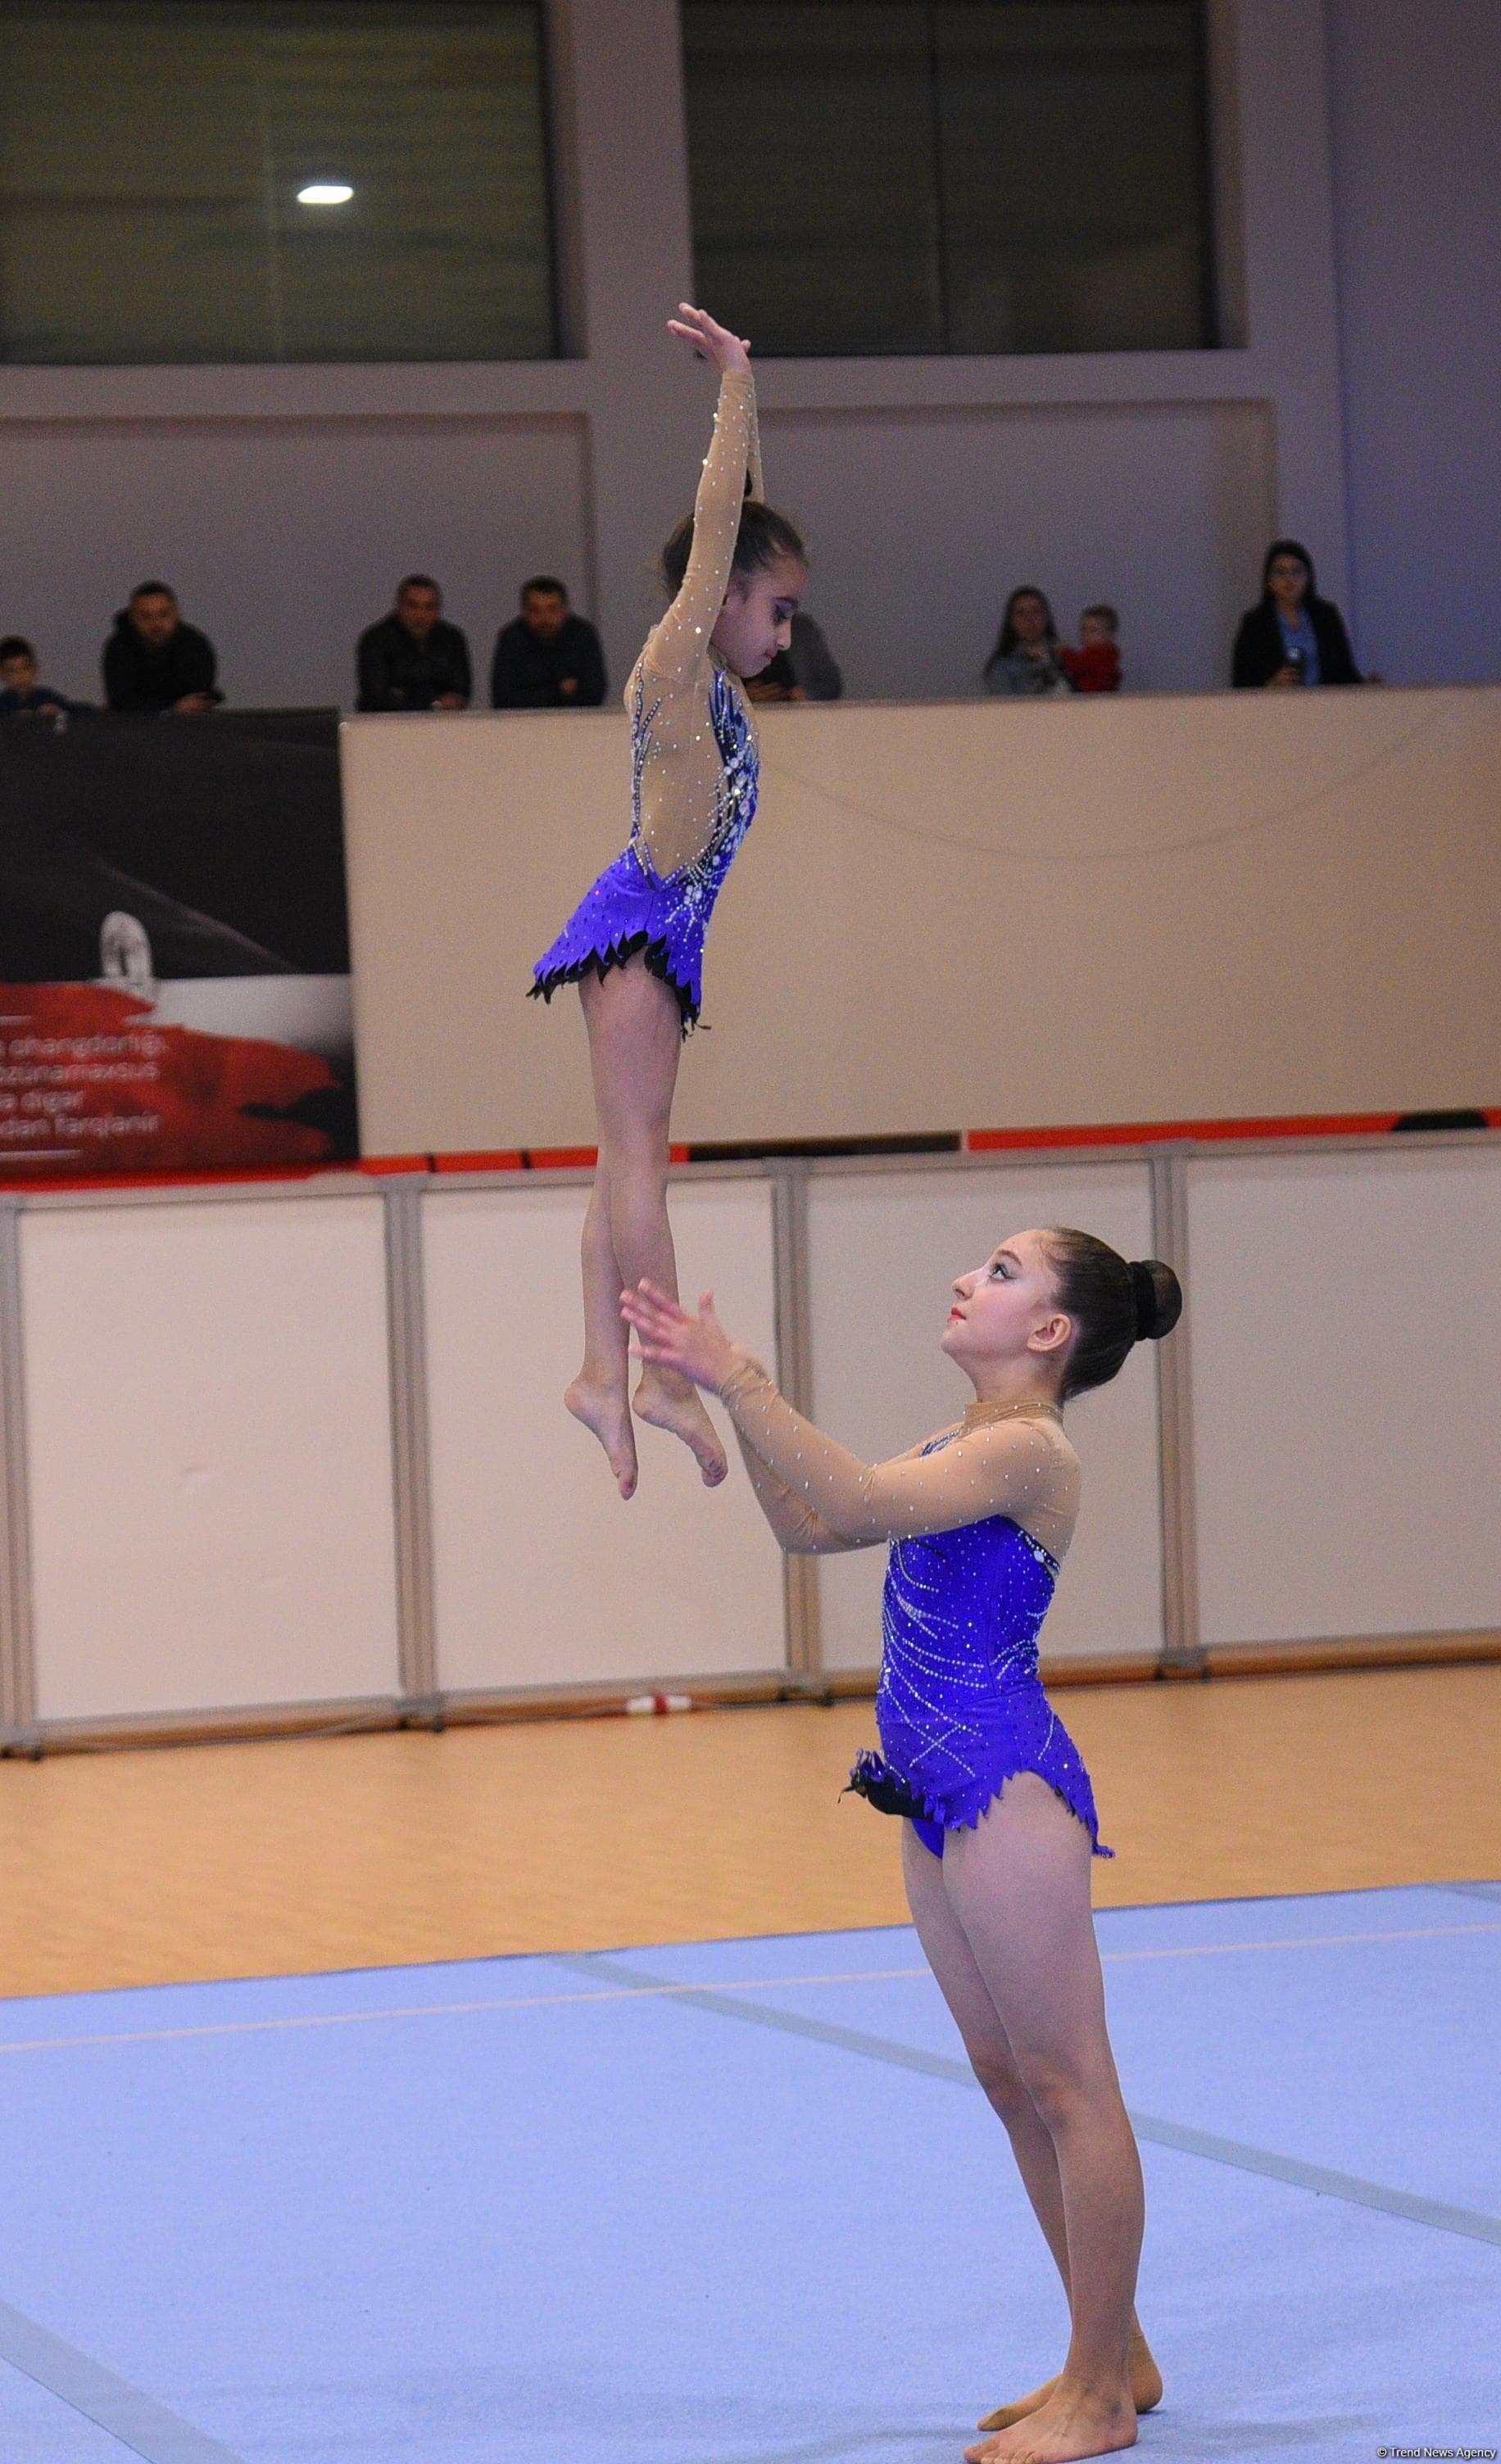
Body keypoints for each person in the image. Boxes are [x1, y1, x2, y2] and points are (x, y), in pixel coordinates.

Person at [622, 1224, 1182, 2464]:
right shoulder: (964, 1439)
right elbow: (818, 1528)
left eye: (996, 1271)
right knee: (1008, 2078)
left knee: (1070, 2083)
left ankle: (1096, 2397)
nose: (962, 1276)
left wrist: (740, 1377)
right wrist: (721, 1408)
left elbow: (861, 1504)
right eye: (974, 1259)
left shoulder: (1029, 1451)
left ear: (1050, 1332)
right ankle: (1117, 2353)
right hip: (926, 1787)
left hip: (1002, 1782)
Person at [528, 303, 805, 1500]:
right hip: (640, 923)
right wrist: (737, 381)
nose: (787, 635)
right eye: (778, 610)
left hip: (655, 935)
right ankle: (661, 1376)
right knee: (641, 1160)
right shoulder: (679, 661)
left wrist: (751, 428)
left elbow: (740, 528)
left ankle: (603, 1368)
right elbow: (719, 527)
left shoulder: (722, 684)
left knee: (619, 1161)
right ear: (723, 598)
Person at [1231, 541, 1371, 688]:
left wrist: (1366, 686)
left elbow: (1343, 671)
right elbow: (1241, 680)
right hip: (1274, 706)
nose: (1289, 579)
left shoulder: (1326, 617)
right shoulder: (1255, 623)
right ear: (1269, 581)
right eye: (1281, 572)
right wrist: (1272, 684)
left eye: (1296, 571)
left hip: (1326, 705)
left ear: (1308, 578)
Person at [356, 577, 471, 712]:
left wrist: (405, 696)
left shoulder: (453, 639)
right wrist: (434, 704)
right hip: (386, 726)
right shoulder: (376, 640)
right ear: (399, 606)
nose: (421, 615)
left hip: (444, 726)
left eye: (429, 607)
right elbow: (377, 697)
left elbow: (460, 693)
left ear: (438, 609)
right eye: (413, 606)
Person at [489, 577, 607, 709]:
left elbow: (594, 693)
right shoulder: (512, 638)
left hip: (577, 722)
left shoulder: (582, 634)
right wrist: (560, 691)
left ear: (565, 609)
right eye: (535, 610)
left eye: (552, 609)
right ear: (524, 611)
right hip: (522, 724)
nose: (545, 618)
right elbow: (503, 699)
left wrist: (536, 694)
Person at [102, 583, 221, 713]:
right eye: (146, 616)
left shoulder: (195, 646)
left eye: (163, 614)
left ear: (176, 614)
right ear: (133, 618)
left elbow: (197, 699)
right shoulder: (119, 648)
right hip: (132, 729)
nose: (156, 624)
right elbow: (120, 700)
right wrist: (173, 707)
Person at [984, 589, 1074, 698]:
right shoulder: (1002, 667)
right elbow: (1006, 709)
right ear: (1012, 621)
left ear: (1046, 617)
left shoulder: (1067, 656)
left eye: (1036, 612)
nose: (1029, 619)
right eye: (1021, 614)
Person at [744, 609, 842, 704]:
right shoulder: (737, 628)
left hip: (798, 715)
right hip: (753, 716)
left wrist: (807, 694)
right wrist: (745, 697)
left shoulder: (801, 627)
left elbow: (832, 683)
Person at [0, 637, 73, 717]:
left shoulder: (49, 698)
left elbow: (78, 713)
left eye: (26, 668)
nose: (20, 675)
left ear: (35, 669)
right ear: (3, 675)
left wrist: (58, 712)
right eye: (12, 670)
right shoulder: (2, 704)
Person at [1060, 606, 1122, 695]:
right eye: (1083, 629)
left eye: (1093, 630)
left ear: (1109, 635)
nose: (1086, 634)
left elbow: (1077, 665)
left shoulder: (1099, 653)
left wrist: (1064, 652)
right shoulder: (1110, 653)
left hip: (1092, 694)